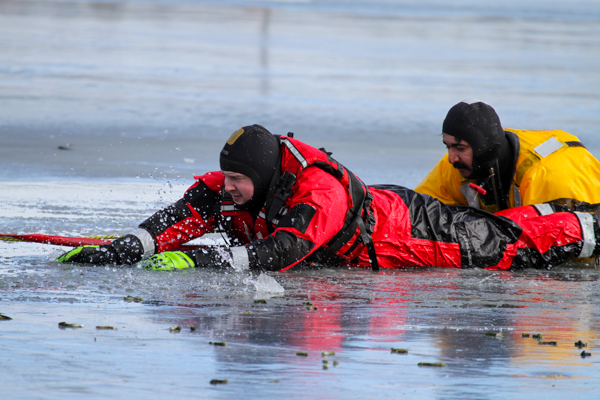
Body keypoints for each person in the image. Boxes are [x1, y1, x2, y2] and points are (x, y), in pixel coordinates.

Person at [57, 124, 600, 272]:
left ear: (265, 177)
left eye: (238, 182)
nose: (230, 190)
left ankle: (588, 226)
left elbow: (288, 249)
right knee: (499, 233)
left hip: (407, 233)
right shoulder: (247, 180)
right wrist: (138, 243)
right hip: (384, 212)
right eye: (229, 181)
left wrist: (196, 258)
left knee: (507, 245)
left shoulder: (316, 193)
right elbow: (188, 210)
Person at [414, 100, 600, 213]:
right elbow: (417, 211)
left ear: (485, 149)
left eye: (460, 148)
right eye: (448, 147)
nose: (451, 158)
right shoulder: (460, 165)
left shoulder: (545, 176)